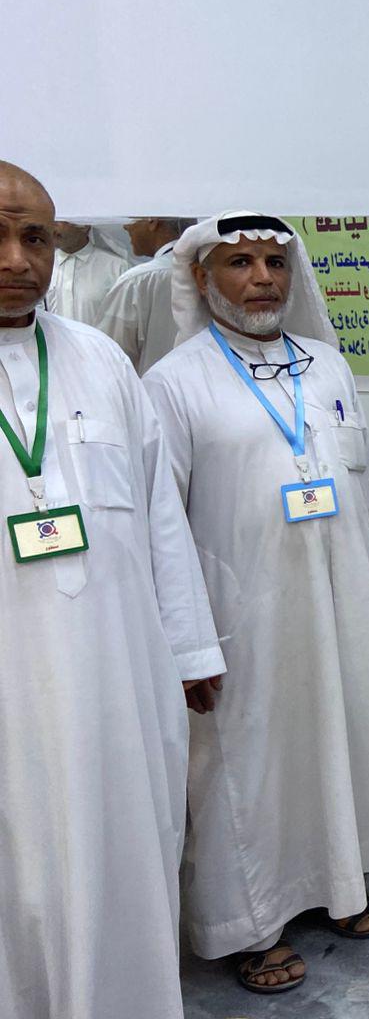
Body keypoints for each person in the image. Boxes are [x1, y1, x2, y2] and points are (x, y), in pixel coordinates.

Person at [145, 211, 369, 994]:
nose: (262, 279)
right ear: (201, 279)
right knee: (248, 765)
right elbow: (160, 525)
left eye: (275, 263)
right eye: (240, 262)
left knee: (340, 739)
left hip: (343, 597)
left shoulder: (326, 366)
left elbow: (363, 473)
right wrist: (186, 643)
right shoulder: (172, 383)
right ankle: (250, 925)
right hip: (242, 613)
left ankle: (338, 885)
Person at [0, 163, 224, 1019]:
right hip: (12, 694)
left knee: (121, 850)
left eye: (35, 238)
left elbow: (161, 515)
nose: (18, 259)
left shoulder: (98, 359)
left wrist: (191, 650)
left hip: (117, 681)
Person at [96, 217, 188, 373]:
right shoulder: (210, 273)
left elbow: (107, 358)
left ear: (152, 221)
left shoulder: (136, 281)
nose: (125, 226)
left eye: (132, 218)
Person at [44, 220, 125, 323]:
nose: (53, 227)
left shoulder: (116, 267)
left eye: (61, 221)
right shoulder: (43, 265)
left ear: (84, 226)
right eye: (53, 220)